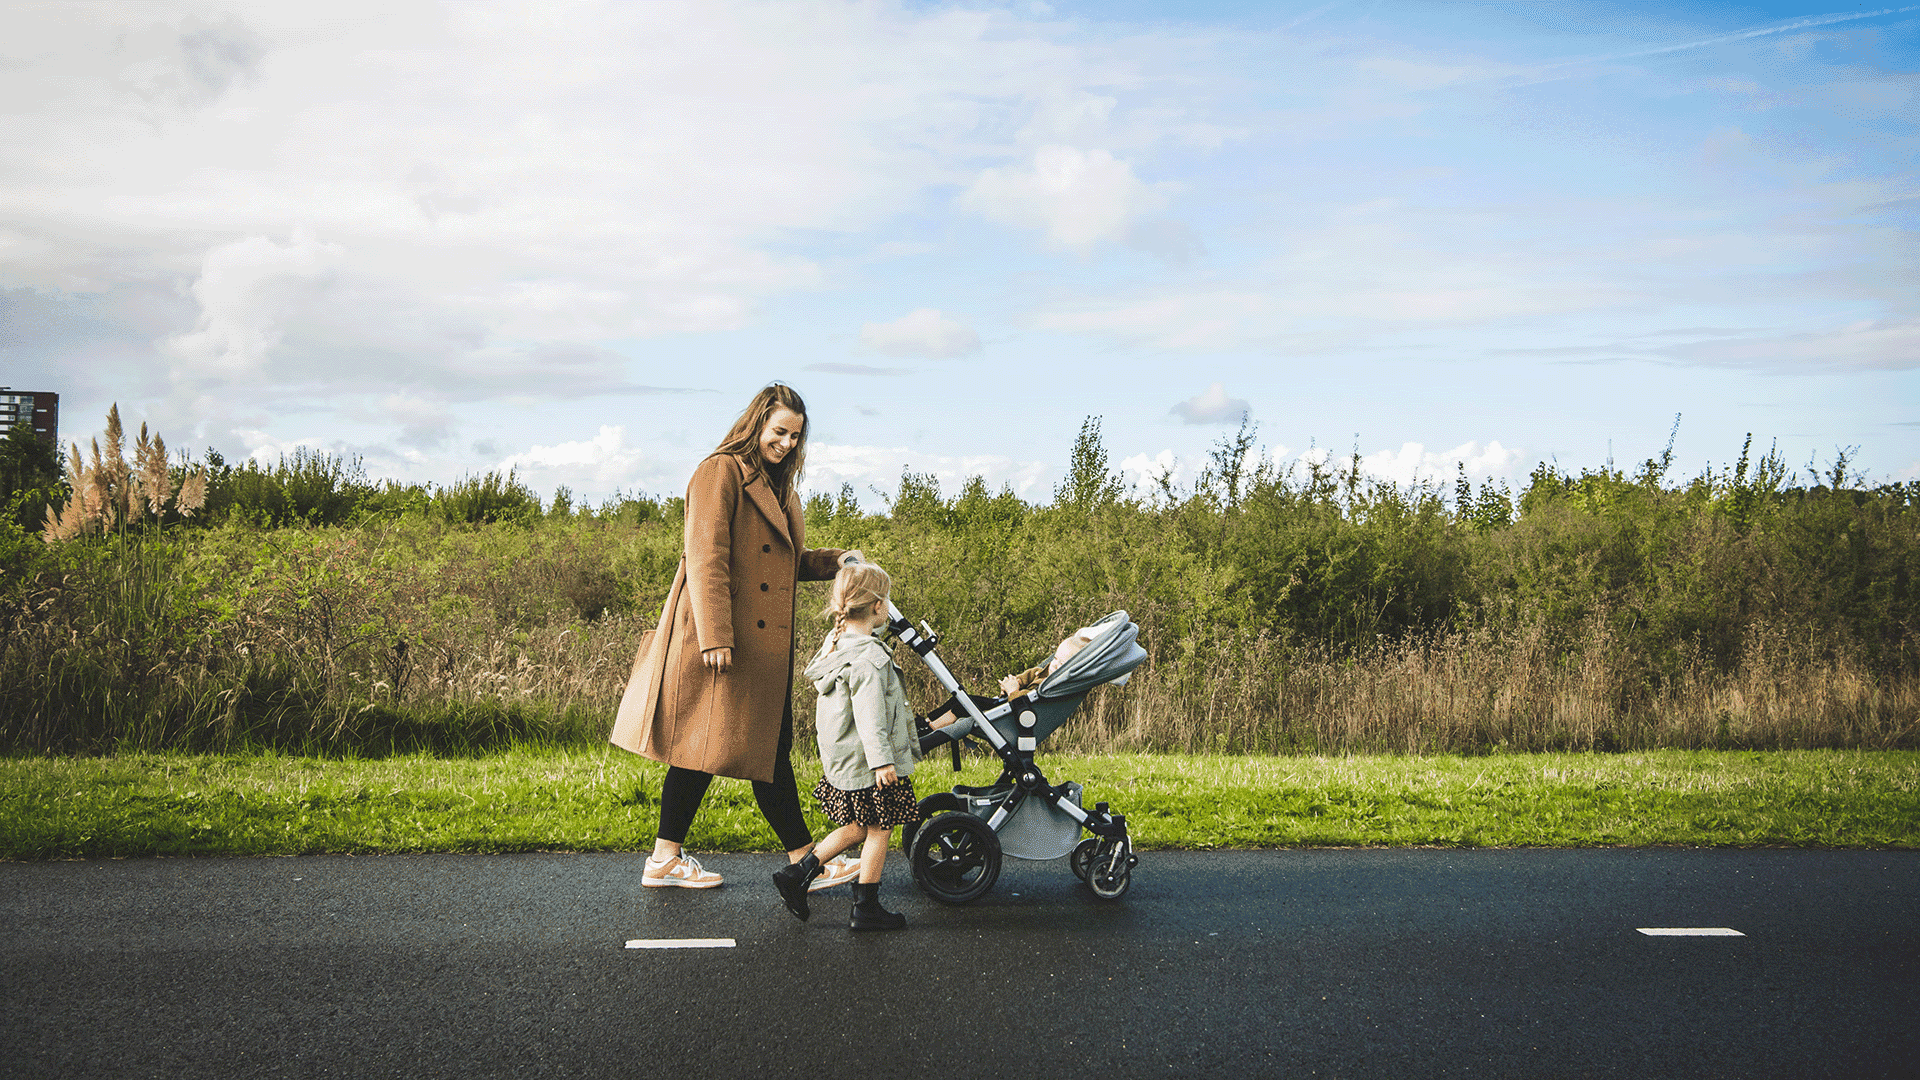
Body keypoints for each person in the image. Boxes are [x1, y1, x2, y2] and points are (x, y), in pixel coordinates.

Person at [609, 383, 862, 892]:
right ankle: (805, 863)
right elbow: (707, 559)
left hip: (759, 644)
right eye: (779, 431)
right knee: (752, 751)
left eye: (795, 435)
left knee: (706, 747)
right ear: (755, 425)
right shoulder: (719, 472)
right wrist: (714, 636)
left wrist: (836, 561)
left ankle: (665, 859)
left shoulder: (778, 487)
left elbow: (780, 564)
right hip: (723, 640)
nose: (787, 443)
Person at [773, 560, 920, 930]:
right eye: (886, 600)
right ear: (877, 607)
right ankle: (866, 907)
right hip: (869, 761)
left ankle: (798, 874)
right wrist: (883, 762)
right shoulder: (869, 658)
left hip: (846, 758)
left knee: (858, 826)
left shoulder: (836, 644)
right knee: (880, 829)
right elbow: (871, 716)